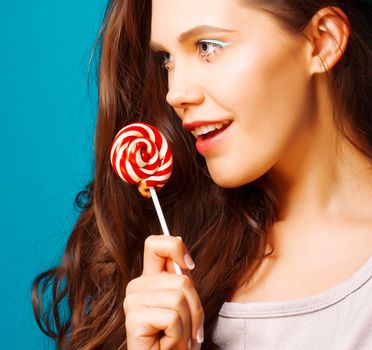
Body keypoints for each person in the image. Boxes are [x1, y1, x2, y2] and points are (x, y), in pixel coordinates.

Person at [32, 0, 372, 349]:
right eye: (167, 59)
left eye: (208, 47)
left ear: (321, 41)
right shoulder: (180, 248)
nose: (175, 93)